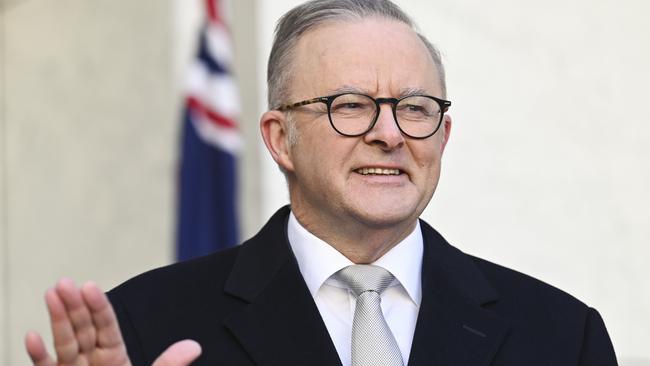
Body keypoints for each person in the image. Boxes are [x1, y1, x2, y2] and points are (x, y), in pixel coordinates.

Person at [25, 0, 618, 365]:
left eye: (415, 107)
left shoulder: (563, 336)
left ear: (443, 134)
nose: (389, 134)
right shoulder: (147, 324)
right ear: (281, 139)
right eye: (350, 105)